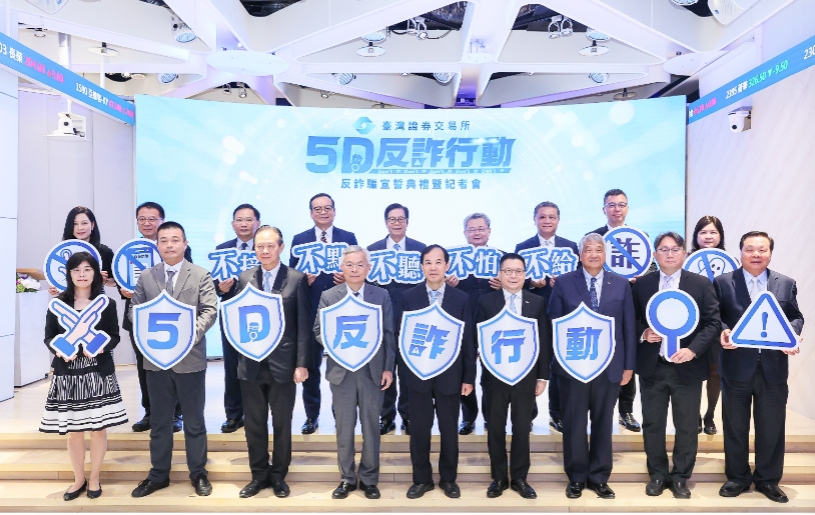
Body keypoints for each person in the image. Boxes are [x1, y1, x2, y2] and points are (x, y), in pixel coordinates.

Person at [129, 222, 218, 498]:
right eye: (164, 240)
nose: (169, 245)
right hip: (156, 360)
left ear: (185, 243)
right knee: (159, 421)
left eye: (175, 240)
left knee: (194, 421)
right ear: (157, 245)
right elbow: (134, 311)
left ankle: (198, 473)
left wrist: (187, 336)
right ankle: (158, 475)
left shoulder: (200, 274)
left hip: (190, 359)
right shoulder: (146, 277)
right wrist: (149, 333)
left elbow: (209, 310)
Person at [715, 231, 803, 503]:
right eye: (750, 249)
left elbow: (796, 317)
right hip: (736, 366)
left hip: (773, 368)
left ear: (770, 253)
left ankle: (768, 480)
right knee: (735, 426)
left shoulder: (785, 283)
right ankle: (737, 477)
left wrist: (792, 334)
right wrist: (723, 331)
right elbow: (715, 316)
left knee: (772, 427)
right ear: (740, 252)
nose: (756, 254)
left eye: (762, 249)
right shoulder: (723, 282)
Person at [632, 232, 721, 499]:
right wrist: (643, 333)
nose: (669, 254)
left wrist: (693, 350)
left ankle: (681, 476)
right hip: (653, 366)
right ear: (655, 254)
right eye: (663, 249)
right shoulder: (643, 284)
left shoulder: (701, 284)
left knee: (687, 426)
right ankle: (658, 474)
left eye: (674, 249)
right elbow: (630, 319)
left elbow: (713, 323)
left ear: (683, 253)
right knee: (653, 424)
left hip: (687, 367)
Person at [548, 232, 636, 500]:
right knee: (574, 423)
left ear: (605, 254)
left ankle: (599, 477)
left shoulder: (621, 284)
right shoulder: (564, 283)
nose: (594, 254)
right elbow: (553, 324)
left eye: (599, 249)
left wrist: (628, 366)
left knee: (602, 422)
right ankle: (576, 477)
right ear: (580, 254)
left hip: (609, 367)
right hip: (573, 366)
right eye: (588, 249)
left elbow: (628, 327)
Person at [40, 252, 128, 501]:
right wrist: (60, 349)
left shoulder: (106, 303)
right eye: (76, 270)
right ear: (68, 274)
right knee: (74, 431)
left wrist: (99, 346)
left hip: (97, 371)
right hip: (68, 374)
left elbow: (114, 336)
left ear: (95, 273)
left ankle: (95, 477)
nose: (82, 274)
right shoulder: (58, 304)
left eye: (87, 269)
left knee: (98, 429)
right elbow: (49, 336)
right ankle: (78, 479)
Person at [233, 226, 310, 499]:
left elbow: (303, 326)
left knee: (281, 423)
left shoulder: (296, 279)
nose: (265, 251)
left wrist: (302, 364)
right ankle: (258, 475)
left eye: (270, 246)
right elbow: (237, 320)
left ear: (281, 247)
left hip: (284, 364)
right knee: (254, 424)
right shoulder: (244, 278)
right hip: (251, 363)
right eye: (260, 246)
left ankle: (278, 475)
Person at [314, 246, 395, 500]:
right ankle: (347, 478)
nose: (355, 269)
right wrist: (338, 345)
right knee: (344, 427)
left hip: (372, 371)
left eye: (360, 264)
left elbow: (389, 334)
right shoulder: (329, 296)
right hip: (342, 372)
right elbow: (318, 330)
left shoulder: (380, 295)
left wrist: (388, 368)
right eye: (349, 264)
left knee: (371, 426)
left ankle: (369, 479)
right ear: (342, 268)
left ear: (368, 268)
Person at [402, 245, 475, 499]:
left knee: (449, 429)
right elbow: (402, 337)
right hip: (418, 373)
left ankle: (448, 479)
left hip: (450, 375)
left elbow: (468, 340)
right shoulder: (408, 297)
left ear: (447, 266)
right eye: (428, 262)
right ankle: (421, 479)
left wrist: (468, 377)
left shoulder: (461, 298)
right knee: (419, 430)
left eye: (438, 262)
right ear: (422, 266)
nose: (433, 267)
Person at [476, 253, 549, 499]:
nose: (513, 276)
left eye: (518, 271)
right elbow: (477, 336)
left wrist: (542, 377)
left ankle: (519, 478)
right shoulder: (486, 302)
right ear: (500, 274)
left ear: (525, 274)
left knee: (521, 427)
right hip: (495, 376)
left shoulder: (536, 302)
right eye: (508, 271)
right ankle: (498, 478)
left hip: (525, 376)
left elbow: (543, 340)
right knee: (495, 427)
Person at [290, 193, 358, 434]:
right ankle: (312, 416)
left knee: (344, 366)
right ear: (311, 213)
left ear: (334, 211)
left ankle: (342, 414)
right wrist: (302, 280)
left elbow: (359, 269)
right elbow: (291, 276)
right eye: (317, 209)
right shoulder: (300, 240)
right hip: (311, 311)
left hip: (341, 311)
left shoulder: (348, 238)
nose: (323, 212)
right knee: (310, 366)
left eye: (327, 208)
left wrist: (347, 277)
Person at [122, 202, 190, 433]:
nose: (147, 223)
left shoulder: (176, 247)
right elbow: (121, 279)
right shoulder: (130, 250)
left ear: (162, 220)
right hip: (140, 317)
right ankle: (150, 412)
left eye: (152, 218)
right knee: (145, 368)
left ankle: (175, 414)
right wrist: (123, 289)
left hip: (171, 318)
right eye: (142, 219)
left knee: (174, 366)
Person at [515, 201, 578, 434]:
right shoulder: (523, 247)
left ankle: (557, 413)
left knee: (560, 363)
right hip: (533, 311)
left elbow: (578, 280)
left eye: (552, 217)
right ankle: (528, 414)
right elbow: (514, 280)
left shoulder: (571, 247)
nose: (547, 221)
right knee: (530, 362)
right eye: (542, 217)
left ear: (558, 220)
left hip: (563, 313)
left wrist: (563, 283)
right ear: (535, 219)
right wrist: (532, 283)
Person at [367, 203, 426, 436]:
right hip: (382, 320)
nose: (397, 223)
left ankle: (409, 415)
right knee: (385, 368)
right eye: (392, 219)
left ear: (407, 222)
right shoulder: (372, 251)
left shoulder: (420, 250)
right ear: (386, 222)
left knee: (409, 372)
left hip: (412, 320)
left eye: (401, 219)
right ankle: (386, 416)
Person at [588, 188, 641, 433]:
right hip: (598, 306)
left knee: (627, 355)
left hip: (628, 302)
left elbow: (651, 269)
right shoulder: (593, 237)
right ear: (604, 209)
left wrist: (639, 279)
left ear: (627, 208)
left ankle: (626, 410)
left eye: (621, 204)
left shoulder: (640, 237)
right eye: (612, 205)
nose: (616, 209)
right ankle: (596, 409)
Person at [448, 213, 503, 436]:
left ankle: (492, 417)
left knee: (493, 370)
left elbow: (519, 283)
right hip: (464, 318)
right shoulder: (453, 259)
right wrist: (449, 283)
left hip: (493, 319)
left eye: (481, 228)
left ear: (489, 231)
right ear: (465, 233)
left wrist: (504, 284)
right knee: (465, 369)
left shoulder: (501, 257)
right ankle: (468, 417)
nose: (477, 233)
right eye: (472, 229)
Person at [213, 203, 262, 434]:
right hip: (232, 314)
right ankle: (233, 415)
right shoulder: (222, 250)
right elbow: (214, 284)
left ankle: (256, 414)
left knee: (258, 366)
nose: (244, 224)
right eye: (239, 220)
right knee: (232, 366)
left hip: (261, 315)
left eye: (249, 219)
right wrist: (220, 288)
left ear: (257, 223)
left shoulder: (264, 248)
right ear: (233, 224)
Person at [690, 215, 727, 435]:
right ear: (696, 236)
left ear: (720, 236)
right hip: (691, 325)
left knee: (715, 372)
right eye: (703, 232)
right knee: (692, 371)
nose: (708, 236)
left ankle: (710, 415)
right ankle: (694, 415)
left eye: (713, 232)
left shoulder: (730, 262)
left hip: (719, 325)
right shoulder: (686, 260)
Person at [48, 207, 115, 296]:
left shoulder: (104, 251)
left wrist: (104, 281)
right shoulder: (62, 251)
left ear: (92, 225)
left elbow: (115, 281)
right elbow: (60, 279)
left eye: (84, 223)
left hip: (97, 300)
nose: (80, 228)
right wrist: (56, 288)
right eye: (75, 224)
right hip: (69, 300)